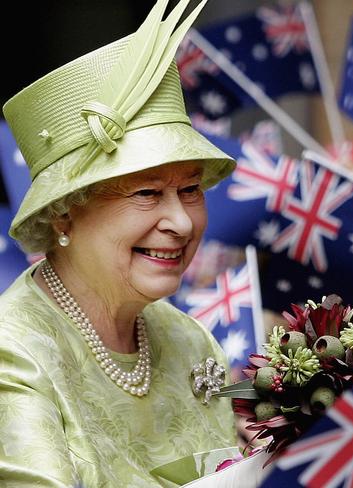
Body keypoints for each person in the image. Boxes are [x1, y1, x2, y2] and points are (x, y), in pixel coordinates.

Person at [0, 1, 242, 486]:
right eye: (147, 193)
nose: (180, 221)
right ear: (64, 211)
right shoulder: (15, 352)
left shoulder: (189, 339)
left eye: (190, 189)